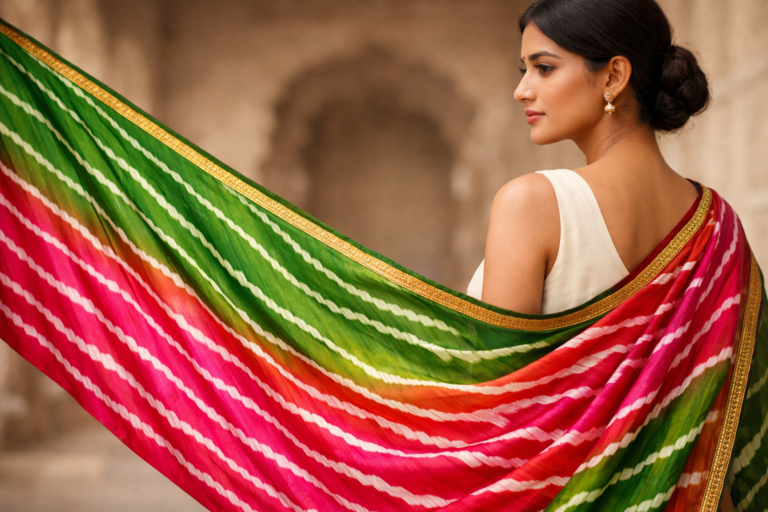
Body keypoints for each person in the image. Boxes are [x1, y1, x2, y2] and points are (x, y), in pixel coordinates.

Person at [467, 0, 737, 509]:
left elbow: (495, 414)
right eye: (524, 70)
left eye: (543, 68)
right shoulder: (720, 226)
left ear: (613, 76)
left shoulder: (532, 204)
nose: (521, 89)